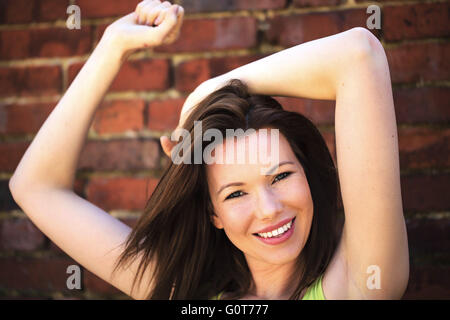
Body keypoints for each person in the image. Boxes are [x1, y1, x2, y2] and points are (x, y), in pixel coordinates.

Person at [8, 0, 409, 300]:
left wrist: (210, 90)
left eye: (281, 175)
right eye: (235, 193)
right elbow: (35, 187)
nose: (269, 208)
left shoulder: (360, 283)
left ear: (308, 174)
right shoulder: (182, 292)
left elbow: (359, 56)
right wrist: (112, 48)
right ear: (212, 214)